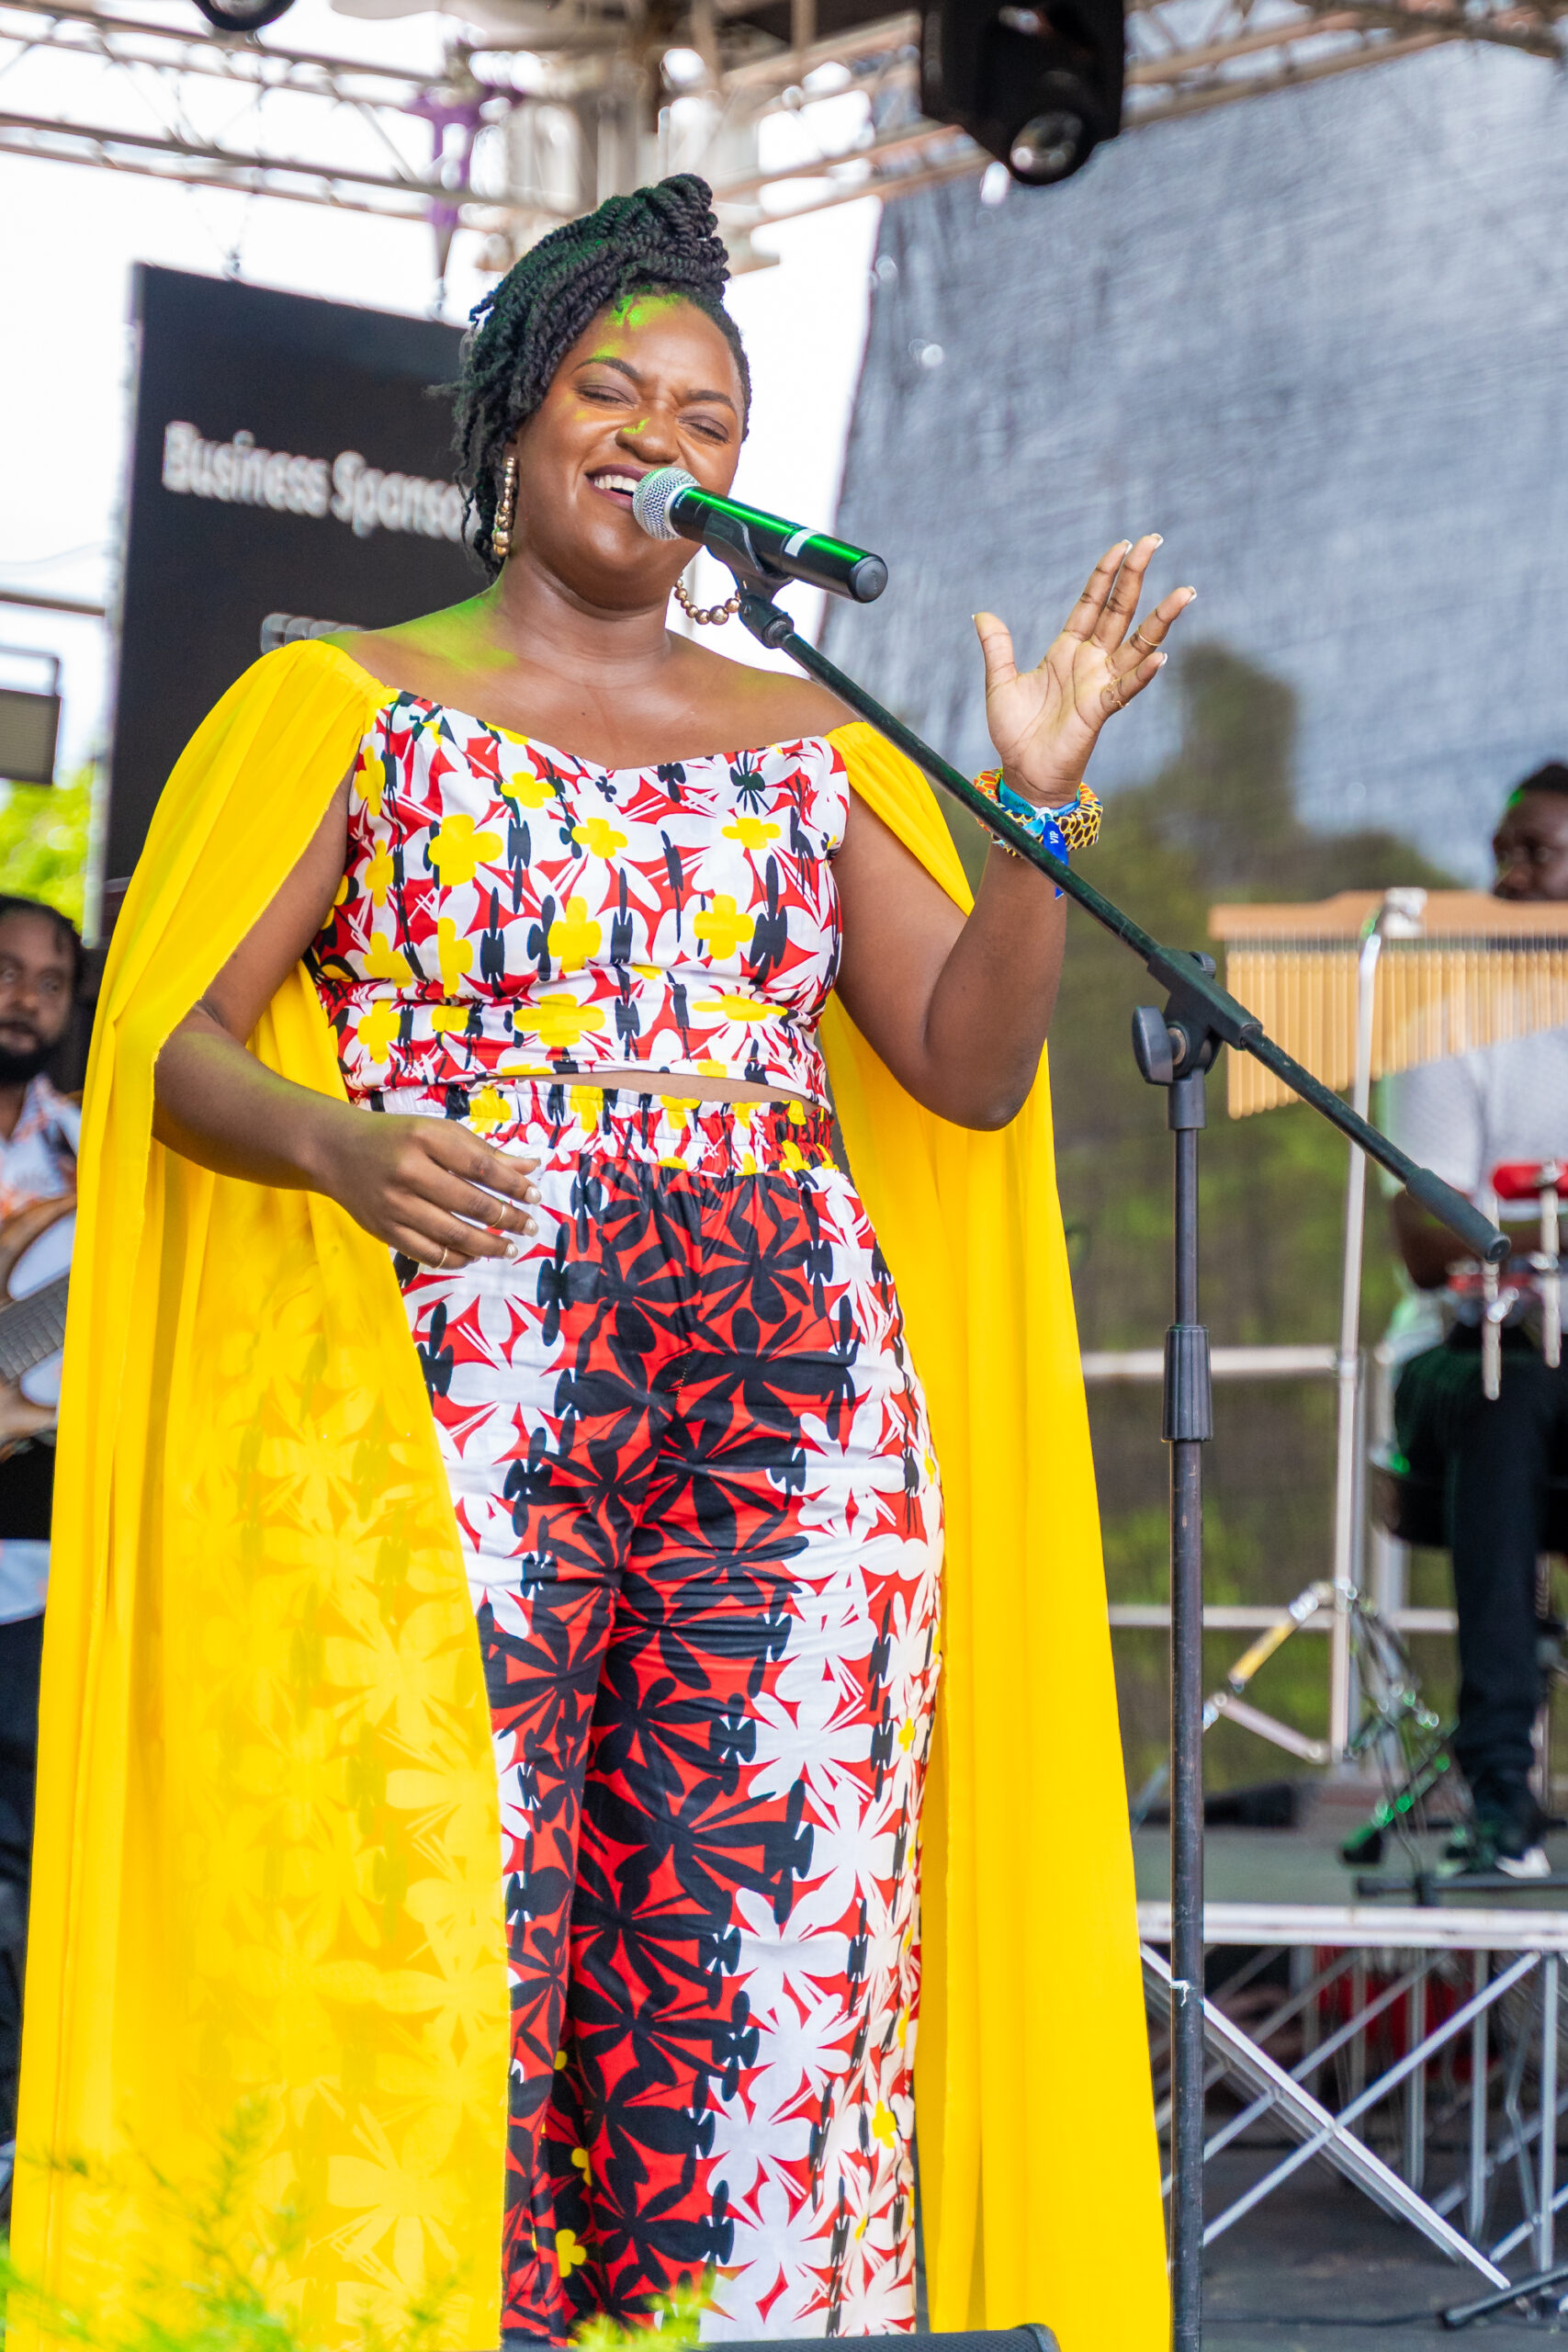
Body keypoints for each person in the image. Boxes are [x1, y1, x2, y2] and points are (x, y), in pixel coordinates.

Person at [17, 178, 1185, 2351]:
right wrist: (338, 1139)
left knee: (752, 1950)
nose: (661, 436)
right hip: (456, 1384)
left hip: (797, 1412)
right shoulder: (347, 702)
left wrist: (1032, 819)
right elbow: (163, 1036)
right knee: (453, 1922)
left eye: (708, 418)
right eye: (612, 391)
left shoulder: (812, 737)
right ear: (513, 422)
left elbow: (966, 1066)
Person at [1385, 762, 1568, 1878]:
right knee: (1511, 1400)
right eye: (1503, 854)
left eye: (1538, 854)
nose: (1510, 877)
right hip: (1467, 1362)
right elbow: (1423, 1235)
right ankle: (1500, 1786)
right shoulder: (1456, 1025)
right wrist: (1549, 1232)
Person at [0, 898, 80, 2162]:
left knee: (35, 1862)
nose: (24, 996)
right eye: (5, 969)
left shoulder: (92, 1152)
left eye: (50, 980)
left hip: (32, 1572)